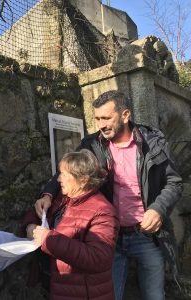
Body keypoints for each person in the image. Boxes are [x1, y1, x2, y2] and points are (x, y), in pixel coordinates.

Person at [35, 90, 183, 300]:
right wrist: (48, 194)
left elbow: (174, 182)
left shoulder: (153, 142)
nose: (101, 125)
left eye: (106, 118)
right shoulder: (91, 145)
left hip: (147, 237)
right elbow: (67, 172)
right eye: (97, 118)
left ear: (125, 115)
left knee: (154, 295)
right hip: (107, 239)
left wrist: (158, 209)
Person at [22, 149, 119, 299]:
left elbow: (98, 258)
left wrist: (48, 239)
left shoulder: (103, 211)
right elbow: (38, 215)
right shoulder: (63, 199)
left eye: (64, 175)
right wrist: (30, 226)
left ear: (83, 180)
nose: (59, 179)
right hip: (57, 286)